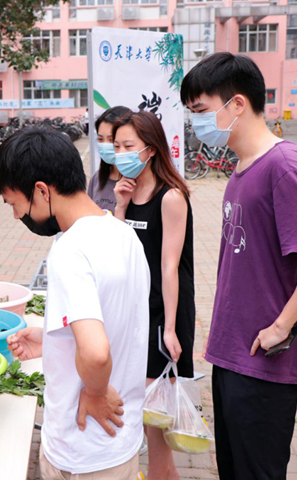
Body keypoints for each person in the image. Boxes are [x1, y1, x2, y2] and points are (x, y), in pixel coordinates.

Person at [180, 52, 297, 480]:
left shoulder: (283, 165)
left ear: (236, 104)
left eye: (200, 110)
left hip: (264, 358)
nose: (196, 121)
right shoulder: (242, 169)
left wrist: (281, 325)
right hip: (232, 350)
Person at [0, 128, 149, 479]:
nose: (17, 216)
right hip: (120, 441)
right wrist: (51, 340)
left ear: (41, 190)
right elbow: (117, 322)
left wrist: (94, 392)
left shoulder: (70, 250)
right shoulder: (123, 234)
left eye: (13, 202)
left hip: (83, 449)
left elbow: (96, 353)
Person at [113, 111, 195, 480]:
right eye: (116, 146)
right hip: (135, 312)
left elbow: (170, 268)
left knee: (155, 424)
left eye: (128, 146)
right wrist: (119, 207)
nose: (120, 153)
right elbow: (114, 253)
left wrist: (171, 329)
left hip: (163, 315)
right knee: (143, 416)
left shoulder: (171, 197)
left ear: (150, 149)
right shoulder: (129, 192)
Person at [88, 106, 129, 214]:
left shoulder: (137, 183)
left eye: (111, 140)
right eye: (101, 139)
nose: (105, 145)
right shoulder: (97, 178)